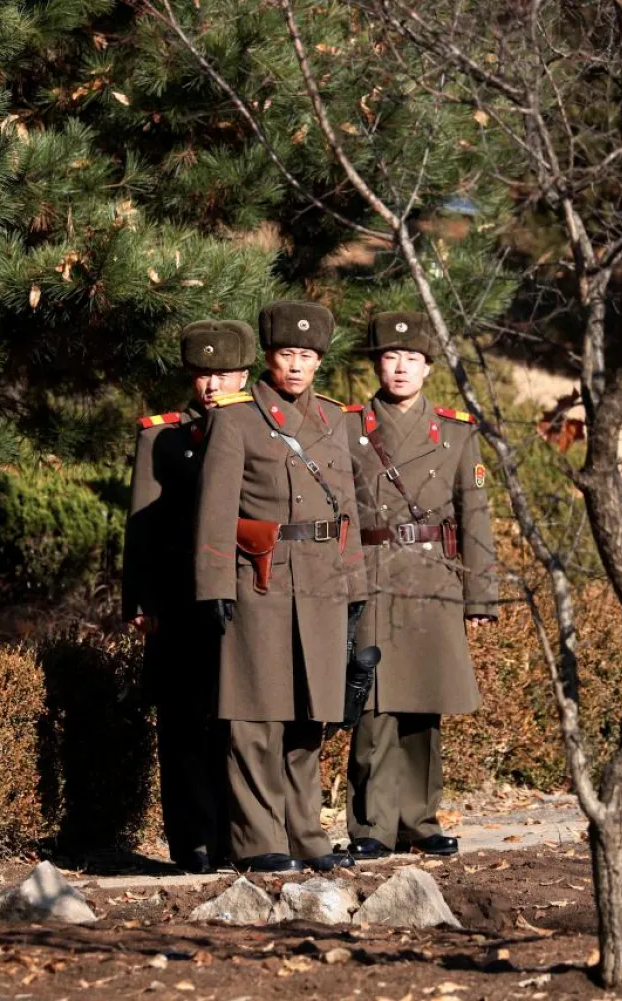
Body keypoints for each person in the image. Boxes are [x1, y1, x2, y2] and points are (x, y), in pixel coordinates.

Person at [194, 300, 367, 874]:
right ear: (268, 357)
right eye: (286, 354)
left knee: (309, 718)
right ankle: (256, 838)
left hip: (321, 581)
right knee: (254, 717)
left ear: (320, 360)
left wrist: (355, 587)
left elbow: (347, 509)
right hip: (259, 581)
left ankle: (304, 832)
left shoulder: (335, 419)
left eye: (307, 355)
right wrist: (214, 583)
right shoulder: (236, 417)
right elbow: (215, 510)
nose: (296, 366)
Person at [342, 310, 498, 859]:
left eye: (412, 358)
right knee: (372, 704)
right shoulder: (348, 426)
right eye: (390, 357)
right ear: (377, 364)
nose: (401, 367)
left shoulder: (455, 433)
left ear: (429, 368)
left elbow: (475, 517)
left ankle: (420, 820)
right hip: (372, 575)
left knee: (423, 707)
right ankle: (371, 826)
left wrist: (481, 596)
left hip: (433, 579)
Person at [124, 319, 256, 874]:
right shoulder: (164, 435)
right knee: (182, 725)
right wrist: (142, 602)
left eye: (223, 373)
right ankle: (193, 842)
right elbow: (142, 529)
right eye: (203, 374)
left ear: (245, 374)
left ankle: (239, 836)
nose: (212, 385)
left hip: (243, 600)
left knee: (239, 723)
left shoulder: (262, 428)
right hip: (179, 603)